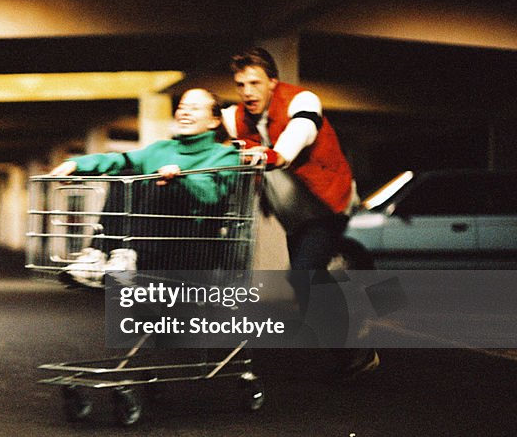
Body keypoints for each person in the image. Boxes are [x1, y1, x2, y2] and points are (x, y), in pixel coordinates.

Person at [222, 47, 378, 380]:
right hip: (294, 216)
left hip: (327, 205)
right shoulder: (237, 117)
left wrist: (279, 154)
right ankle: (350, 349)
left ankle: (354, 346)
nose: (247, 92)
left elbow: (304, 128)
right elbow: (208, 128)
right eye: (240, 85)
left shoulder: (301, 100)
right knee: (306, 285)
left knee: (306, 275)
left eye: (254, 83)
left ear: (272, 83)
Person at [49, 88, 242, 286]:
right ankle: (98, 254)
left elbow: (212, 194)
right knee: (125, 175)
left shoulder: (225, 156)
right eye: (182, 107)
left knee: (161, 183)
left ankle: (128, 255)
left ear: (214, 121)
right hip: (149, 240)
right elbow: (120, 160)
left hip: (190, 240)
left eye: (194, 108)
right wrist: (77, 165)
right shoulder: (160, 149)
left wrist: (181, 178)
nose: (184, 112)